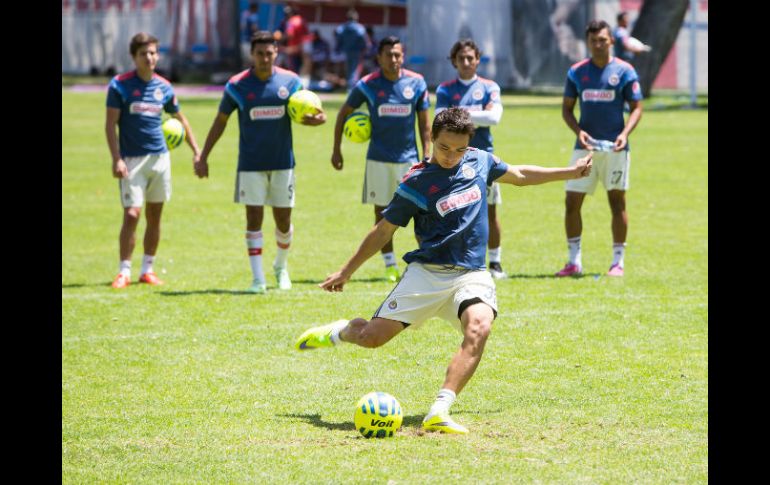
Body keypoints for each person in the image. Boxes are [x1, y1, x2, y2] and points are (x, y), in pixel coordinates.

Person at [295, 108, 592, 434]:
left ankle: (439, 410)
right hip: (427, 275)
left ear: (470, 144)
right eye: (444, 148)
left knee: (479, 327)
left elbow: (519, 175)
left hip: (471, 274)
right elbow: (383, 231)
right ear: (432, 140)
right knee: (370, 339)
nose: (452, 156)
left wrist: (570, 172)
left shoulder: (480, 160)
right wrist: (345, 271)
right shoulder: (417, 182)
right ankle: (342, 331)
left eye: (459, 149)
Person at [197, 31, 326, 293]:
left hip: (283, 163)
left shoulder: (290, 82)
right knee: (253, 218)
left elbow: (304, 111)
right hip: (250, 164)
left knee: (282, 220)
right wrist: (203, 155)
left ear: (276, 53)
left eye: (269, 53)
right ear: (252, 55)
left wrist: (315, 119)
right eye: (260, 54)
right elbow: (220, 122)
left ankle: (281, 267)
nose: (265, 58)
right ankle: (258, 279)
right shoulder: (237, 85)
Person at [330, 36, 431, 283]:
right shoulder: (367, 85)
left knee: (420, 213)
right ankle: (390, 266)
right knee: (383, 214)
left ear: (402, 56)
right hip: (378, 160)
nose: (394, 59)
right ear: (379, 58)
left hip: (409, 160)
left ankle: (427, 263)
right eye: (389, 55)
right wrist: (336, 149)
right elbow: (344, 112)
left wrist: (427, 154)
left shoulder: (417, 83)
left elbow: (424, 124)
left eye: (397, 54)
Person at [106, 32, 201, 289]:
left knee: (155, 216)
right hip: (132, 160)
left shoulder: (164, 87)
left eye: (152, 53)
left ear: (157, 55)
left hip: (160, 158)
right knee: (132, 214)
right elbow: (110, 125)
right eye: (143, 54)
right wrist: (117, 159)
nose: (149, 58)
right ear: (134, 57)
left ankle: (147, 269)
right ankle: (124, 270)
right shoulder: (119, 86)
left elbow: (181, 119)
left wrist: (196, 150)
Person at [556, 19, 643, 277]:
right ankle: (574, 262)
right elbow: (566, 109)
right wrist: (578, 131)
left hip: (616, 150)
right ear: (588, 42)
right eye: (593, 40)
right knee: (572, 202)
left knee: (617, 202)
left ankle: (618, 262)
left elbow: (637, 107)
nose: (598, 45)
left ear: (612, 41)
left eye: (602, 40)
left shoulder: (625, 71)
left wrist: (625, 134)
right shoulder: (577, 72)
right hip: (585, 149)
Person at [436, 38, 508, 280]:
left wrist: (457, 114)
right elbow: (439, 119)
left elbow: (494, 118)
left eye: (470, 58)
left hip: (484, 159)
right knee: (455, 211)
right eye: (461, 58)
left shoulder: (490, 86)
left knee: (489, 211)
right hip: (454, 160)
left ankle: (495, 262)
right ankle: (459, 261)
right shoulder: (445, 89)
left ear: (478, 59)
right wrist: (479, 114)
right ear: (454, 61)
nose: (466, 62)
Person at [334, 9, 370, 90]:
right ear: (356, 17)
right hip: (357, 51)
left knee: (349, 69)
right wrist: (365, 48)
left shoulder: (342, 27)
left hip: (346, 51)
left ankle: (349, 86)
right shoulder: (359, 27)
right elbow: (364, 40)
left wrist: (339, 48)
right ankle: (352, 87)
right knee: (354, 70)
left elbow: (338, 37)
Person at [240, 2, 260, 69]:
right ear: (255, 8)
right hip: (250, 42)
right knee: (252, 63)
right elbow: (254, 28)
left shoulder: (244, 14)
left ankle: (244, 78)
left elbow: (241, 27)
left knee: (245, 64)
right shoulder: (253, 16)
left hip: (243, 41)